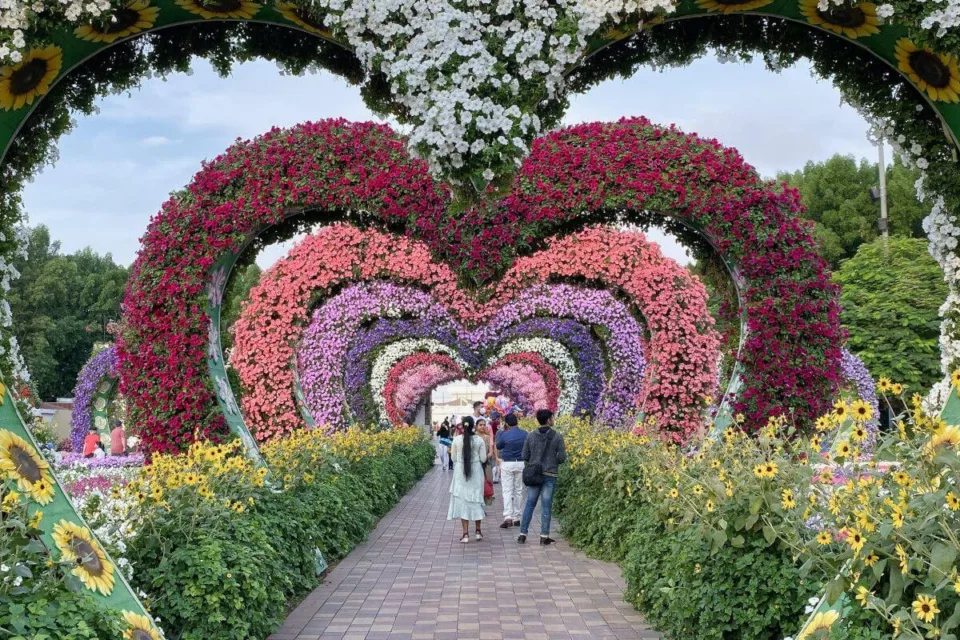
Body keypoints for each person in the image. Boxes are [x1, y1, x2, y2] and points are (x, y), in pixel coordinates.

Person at [518, 409, 566, 545]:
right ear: (549, 419)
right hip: (550, 474)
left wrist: (534, 461)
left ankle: (522, 534)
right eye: (553, 417)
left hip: (534, 475)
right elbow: (562, 457)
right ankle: (544, 535)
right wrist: (552, 460)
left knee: (530, 503)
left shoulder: (531, 436)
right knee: (546, 505)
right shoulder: (557, 436)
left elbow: (524, 456)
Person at [448, 416, 487, 543]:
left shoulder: (457, 440)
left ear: (462, 426)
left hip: (460, 473)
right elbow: (483, 459)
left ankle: (465, 534)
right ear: (473, 426)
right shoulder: (479, 440)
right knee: (476, 500)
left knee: (463, 502)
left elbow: (453, 458)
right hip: (476, 472)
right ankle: (478, 531)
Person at [496, 413, 527, 528]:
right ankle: (517, 517)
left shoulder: (504, 434)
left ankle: (508, 516)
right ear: (517, 421)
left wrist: (500, 432)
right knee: (518, 490)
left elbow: (498, 446)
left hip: (507, 463)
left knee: (507, 490)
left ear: (507, 423)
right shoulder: (524, 434)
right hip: (520, 462)